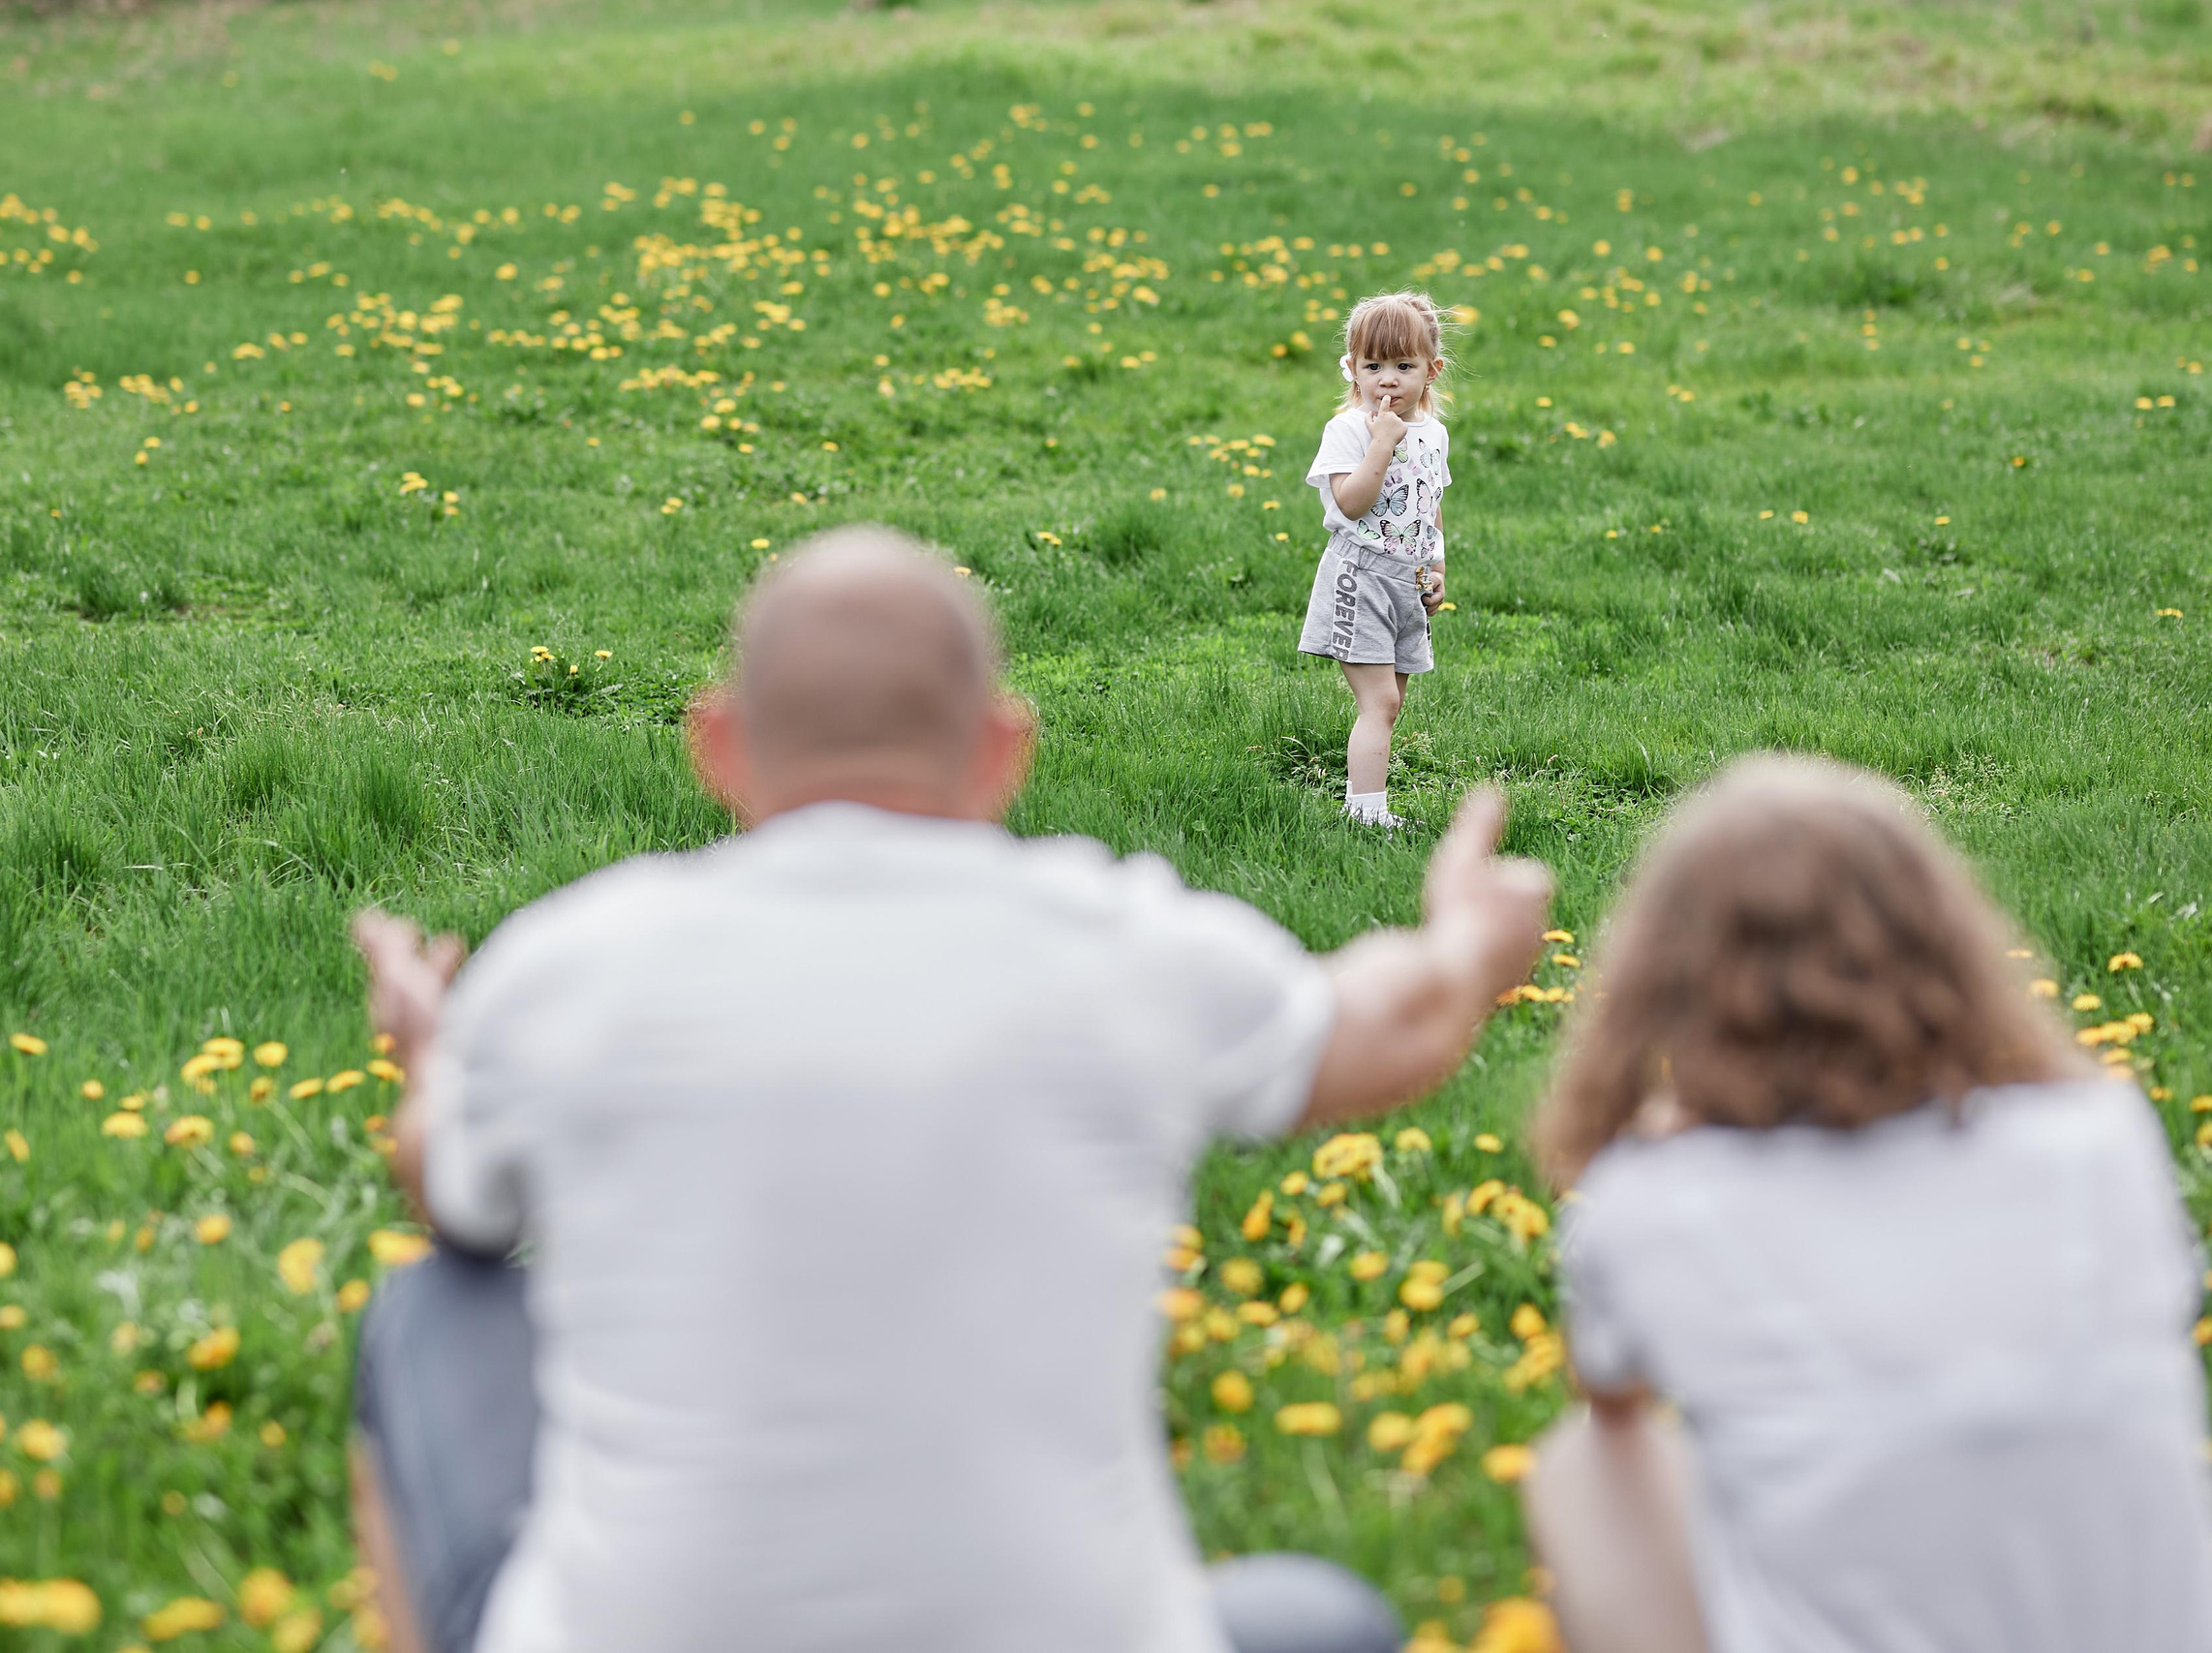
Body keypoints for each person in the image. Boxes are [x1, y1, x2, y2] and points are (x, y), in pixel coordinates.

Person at [348, 525, 1554, 1653]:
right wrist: (1466, 943)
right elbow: (1390, 1025)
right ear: (1002, 750)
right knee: (1316, 1621)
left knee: (433, 1306)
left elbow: (445, 1188)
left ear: (716, 744)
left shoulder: (571, 967)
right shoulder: (1117, 947)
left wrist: (440, 1061)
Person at [1518, 753, 2212, 1653]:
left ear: (1665, 984)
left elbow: (1609, 1389)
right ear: (1946, 942)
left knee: (1582, 1463)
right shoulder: (2100, 1134)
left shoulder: (1654, 1205)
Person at [1295, 291, 1455, 830]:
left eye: (1404, 366)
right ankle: (1365, 814)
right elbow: (1350, 502)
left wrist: (1436, 569)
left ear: (1431, 371)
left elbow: (1429, 507)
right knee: (1380, 701)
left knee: (1392, 702)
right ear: (1353, 369)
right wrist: (1381, 444)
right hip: (1359, 576)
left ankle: (1367, 801)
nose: (1387, 379)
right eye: (1373, 366)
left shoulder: (1435, 434)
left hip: (1405, 581)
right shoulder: (1350, 429)